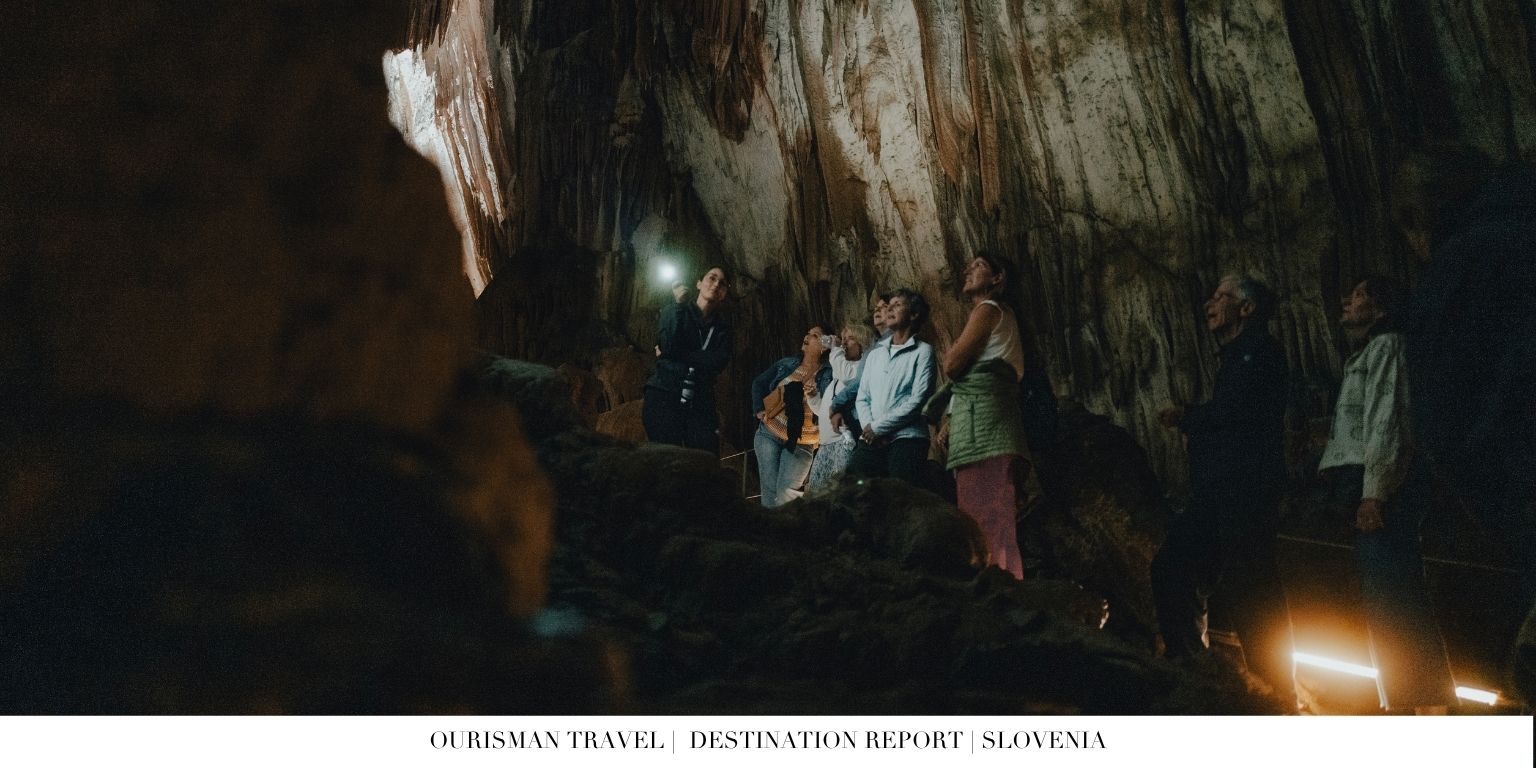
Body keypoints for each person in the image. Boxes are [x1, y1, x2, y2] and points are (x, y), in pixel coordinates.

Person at [1151, 274, 1296, 706]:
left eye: (1220, 296)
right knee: (1175, 568)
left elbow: (1241, 415)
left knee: (1253, 587)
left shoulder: (1260, 353)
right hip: (1219, 492)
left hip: (1245, 490)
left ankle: (1275, 694)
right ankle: (1197, 671)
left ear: (1247, 309)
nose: (1209, 303)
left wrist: (1191, 418)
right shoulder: (1236, 357)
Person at [1320, 275, 1454, 713]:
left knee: (1394, 596)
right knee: (1385, 597)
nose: (1347, 300)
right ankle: (1409, 700)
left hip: (1385, 488)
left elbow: (1387, 420)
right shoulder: (1367, 352)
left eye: (1358, 295)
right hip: (1369, 483)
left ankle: (1423, 705)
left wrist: (1374, 492)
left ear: (1380, 309)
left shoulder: (1387, 347)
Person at [931, 254, 1029, 578]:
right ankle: (1006, 589)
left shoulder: (988, 309)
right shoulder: (997, 315)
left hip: (984, 427)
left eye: (978, 265)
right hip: (986, 420)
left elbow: (953, 364)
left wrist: (955, 349)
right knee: (996, 522)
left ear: (998, 278)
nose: (967, 270)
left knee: (982, 521)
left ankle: (996, 593)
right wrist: (950, 420)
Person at [643, 266, 733, 454]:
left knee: (705, 459)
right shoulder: (673, 311)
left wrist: (677, 354)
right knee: (665, 458)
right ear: (699, 283)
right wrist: (679, 305)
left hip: (700, 400)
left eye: (722, 283)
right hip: (664, 394)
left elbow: (718, 362)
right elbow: (667, 344)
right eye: (712, 278)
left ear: (724, 293)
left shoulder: (723, 329)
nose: (716, 284)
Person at [850, 289, 937, 484]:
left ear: (914, 314)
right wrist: (869, 428)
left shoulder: (923, 352)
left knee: (900, 498)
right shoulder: (875, 354)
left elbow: (917, 401)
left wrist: (879, 428)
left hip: (907, 438)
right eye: (889, 305)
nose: (889, 309)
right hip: (871, 439)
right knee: (853, 489)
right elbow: (862, 397)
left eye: (897, 305)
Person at [751, 325, 833, 507]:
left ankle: (789, 533)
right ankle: (769, 535)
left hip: (802, 442)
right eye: (808, 333)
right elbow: (759, 383)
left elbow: (830, 407)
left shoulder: (829, 373)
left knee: (788, 494)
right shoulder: (786, 364)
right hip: (769, 434)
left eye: (815, 335)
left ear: (825, 345)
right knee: (770, 492)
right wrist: (759, 410)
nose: (808, 336)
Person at [807, 323, 874, 492]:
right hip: (826, 444)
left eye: (850, 339)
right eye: (842, 339)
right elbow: (824, 410)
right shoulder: (836, 377)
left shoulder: (858, 369)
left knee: (839, 494)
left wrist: (835, 349)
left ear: (862, 343)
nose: (843, 343)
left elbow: (844, 373)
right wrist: (813, 397)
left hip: (843, 442)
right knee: (816, 494)